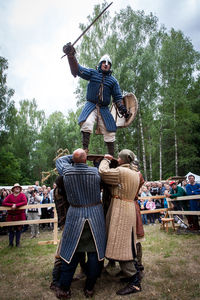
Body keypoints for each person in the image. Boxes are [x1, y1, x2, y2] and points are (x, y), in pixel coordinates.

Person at [53, 148, 106, 299]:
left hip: (75, 215)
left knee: (71, 251)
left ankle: (64, 288)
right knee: (95, 253)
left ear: (74, 160)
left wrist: (77, 157)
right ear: (85, 160)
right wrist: (92, 158)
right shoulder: (96, 172)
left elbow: (60, 161)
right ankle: (89, 288)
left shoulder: (67, 172)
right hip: (95, 216)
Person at [62, 43, 130, 155]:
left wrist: (123, 109)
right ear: (100, 64)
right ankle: (85, 150)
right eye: (104, 62)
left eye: (108, 63)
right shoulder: (93, 73)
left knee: (110, 131)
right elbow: (78, 70)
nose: (106, 64)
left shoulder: (113, 81)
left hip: (104, 108)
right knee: (87, 123)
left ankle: (111, 156)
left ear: (110, 67)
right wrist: (71, 56)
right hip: (91, 105)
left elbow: (117, 98)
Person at [99, 149, 142, 296]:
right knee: (128, 244)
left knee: (122, 246)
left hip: (121, 210)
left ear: (122, 160)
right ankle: (135, 273)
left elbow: (103, 173)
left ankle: (135, 282)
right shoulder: (135, 173)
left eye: (118, 157)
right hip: (128, 207)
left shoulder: (121, 172)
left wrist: (105, 160)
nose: (117, 159)